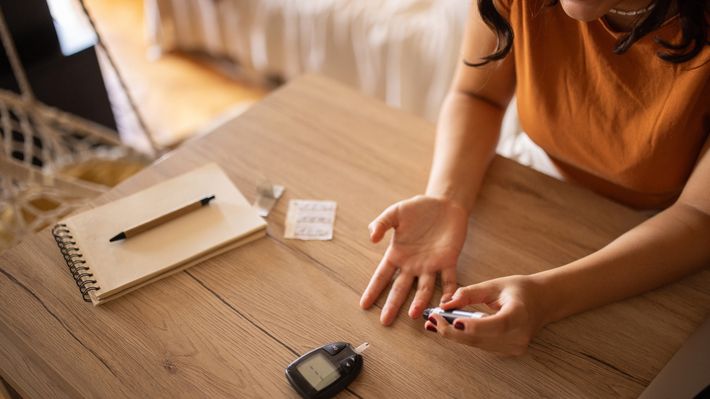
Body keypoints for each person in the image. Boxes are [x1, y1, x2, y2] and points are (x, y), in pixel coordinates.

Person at [359, 0, 709, 355]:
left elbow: (701, 215)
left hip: (664, 236)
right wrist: (447, 198)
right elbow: (477, 97)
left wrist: (547, 298)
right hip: (538, 181)